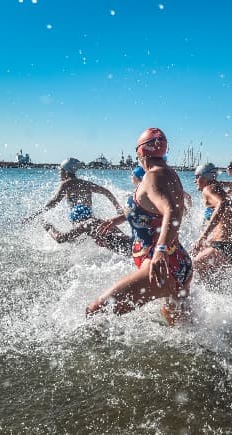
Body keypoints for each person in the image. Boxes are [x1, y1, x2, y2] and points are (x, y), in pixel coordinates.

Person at [86, 128, 193, 324]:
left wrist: (160, 250)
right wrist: (119, 219)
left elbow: (172, 212)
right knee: (184, 331)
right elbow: (152, 209)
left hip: (159, 263)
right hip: (176, 261)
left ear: (141, 152)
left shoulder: (153, 176)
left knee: (94, 313)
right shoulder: (166, 173)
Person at [21, 157, 130, 255]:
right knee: (101, 237)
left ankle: (47, 225)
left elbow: (54, 202)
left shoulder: (66, 184)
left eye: (60, 171)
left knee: (74, 239)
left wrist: (35, 215)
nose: (60, 174)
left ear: (65, 171)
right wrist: (118, 208)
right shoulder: (85, 183)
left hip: (82, 221)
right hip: (90, 218)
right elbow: (106, 192)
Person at [191, 163, 232, 283]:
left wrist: (202, 237)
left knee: (192, 267)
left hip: (225, 247)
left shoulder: (208, 189)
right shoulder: (215, 188)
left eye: (196, 176)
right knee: (211, 279)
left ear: (204, 177)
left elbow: (222, 204)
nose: (194, 181)